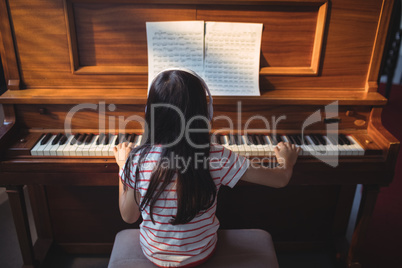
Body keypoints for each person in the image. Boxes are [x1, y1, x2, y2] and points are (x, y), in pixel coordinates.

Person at [113, 69, 300, 267]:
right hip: (202, 253)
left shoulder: (137, 160)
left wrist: (123, 166)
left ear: (149, 112)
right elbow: (281, 180)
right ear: (206, 113)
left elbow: (128, 216)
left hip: (154, 254)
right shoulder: (218, 155)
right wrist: (286, 162)